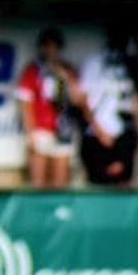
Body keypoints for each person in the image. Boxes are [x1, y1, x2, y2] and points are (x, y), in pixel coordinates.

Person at [79, 27, 138, 188]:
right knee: (100, 183)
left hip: (124, 134)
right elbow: (83, 101)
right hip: (99, 134)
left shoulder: (132, 64)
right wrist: (99, 131)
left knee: (123, 183)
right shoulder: (95, 62)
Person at [15, 28, 84, 188]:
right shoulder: (33, 70)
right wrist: (30, 132)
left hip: (63, 129)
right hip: (41, 129)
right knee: (38, 180)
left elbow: (78, 99)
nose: (50, 50)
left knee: (60, 180)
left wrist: (64, 76)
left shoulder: (67, 69)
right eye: (46, 46)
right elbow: (25, 103)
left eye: (54, 47)